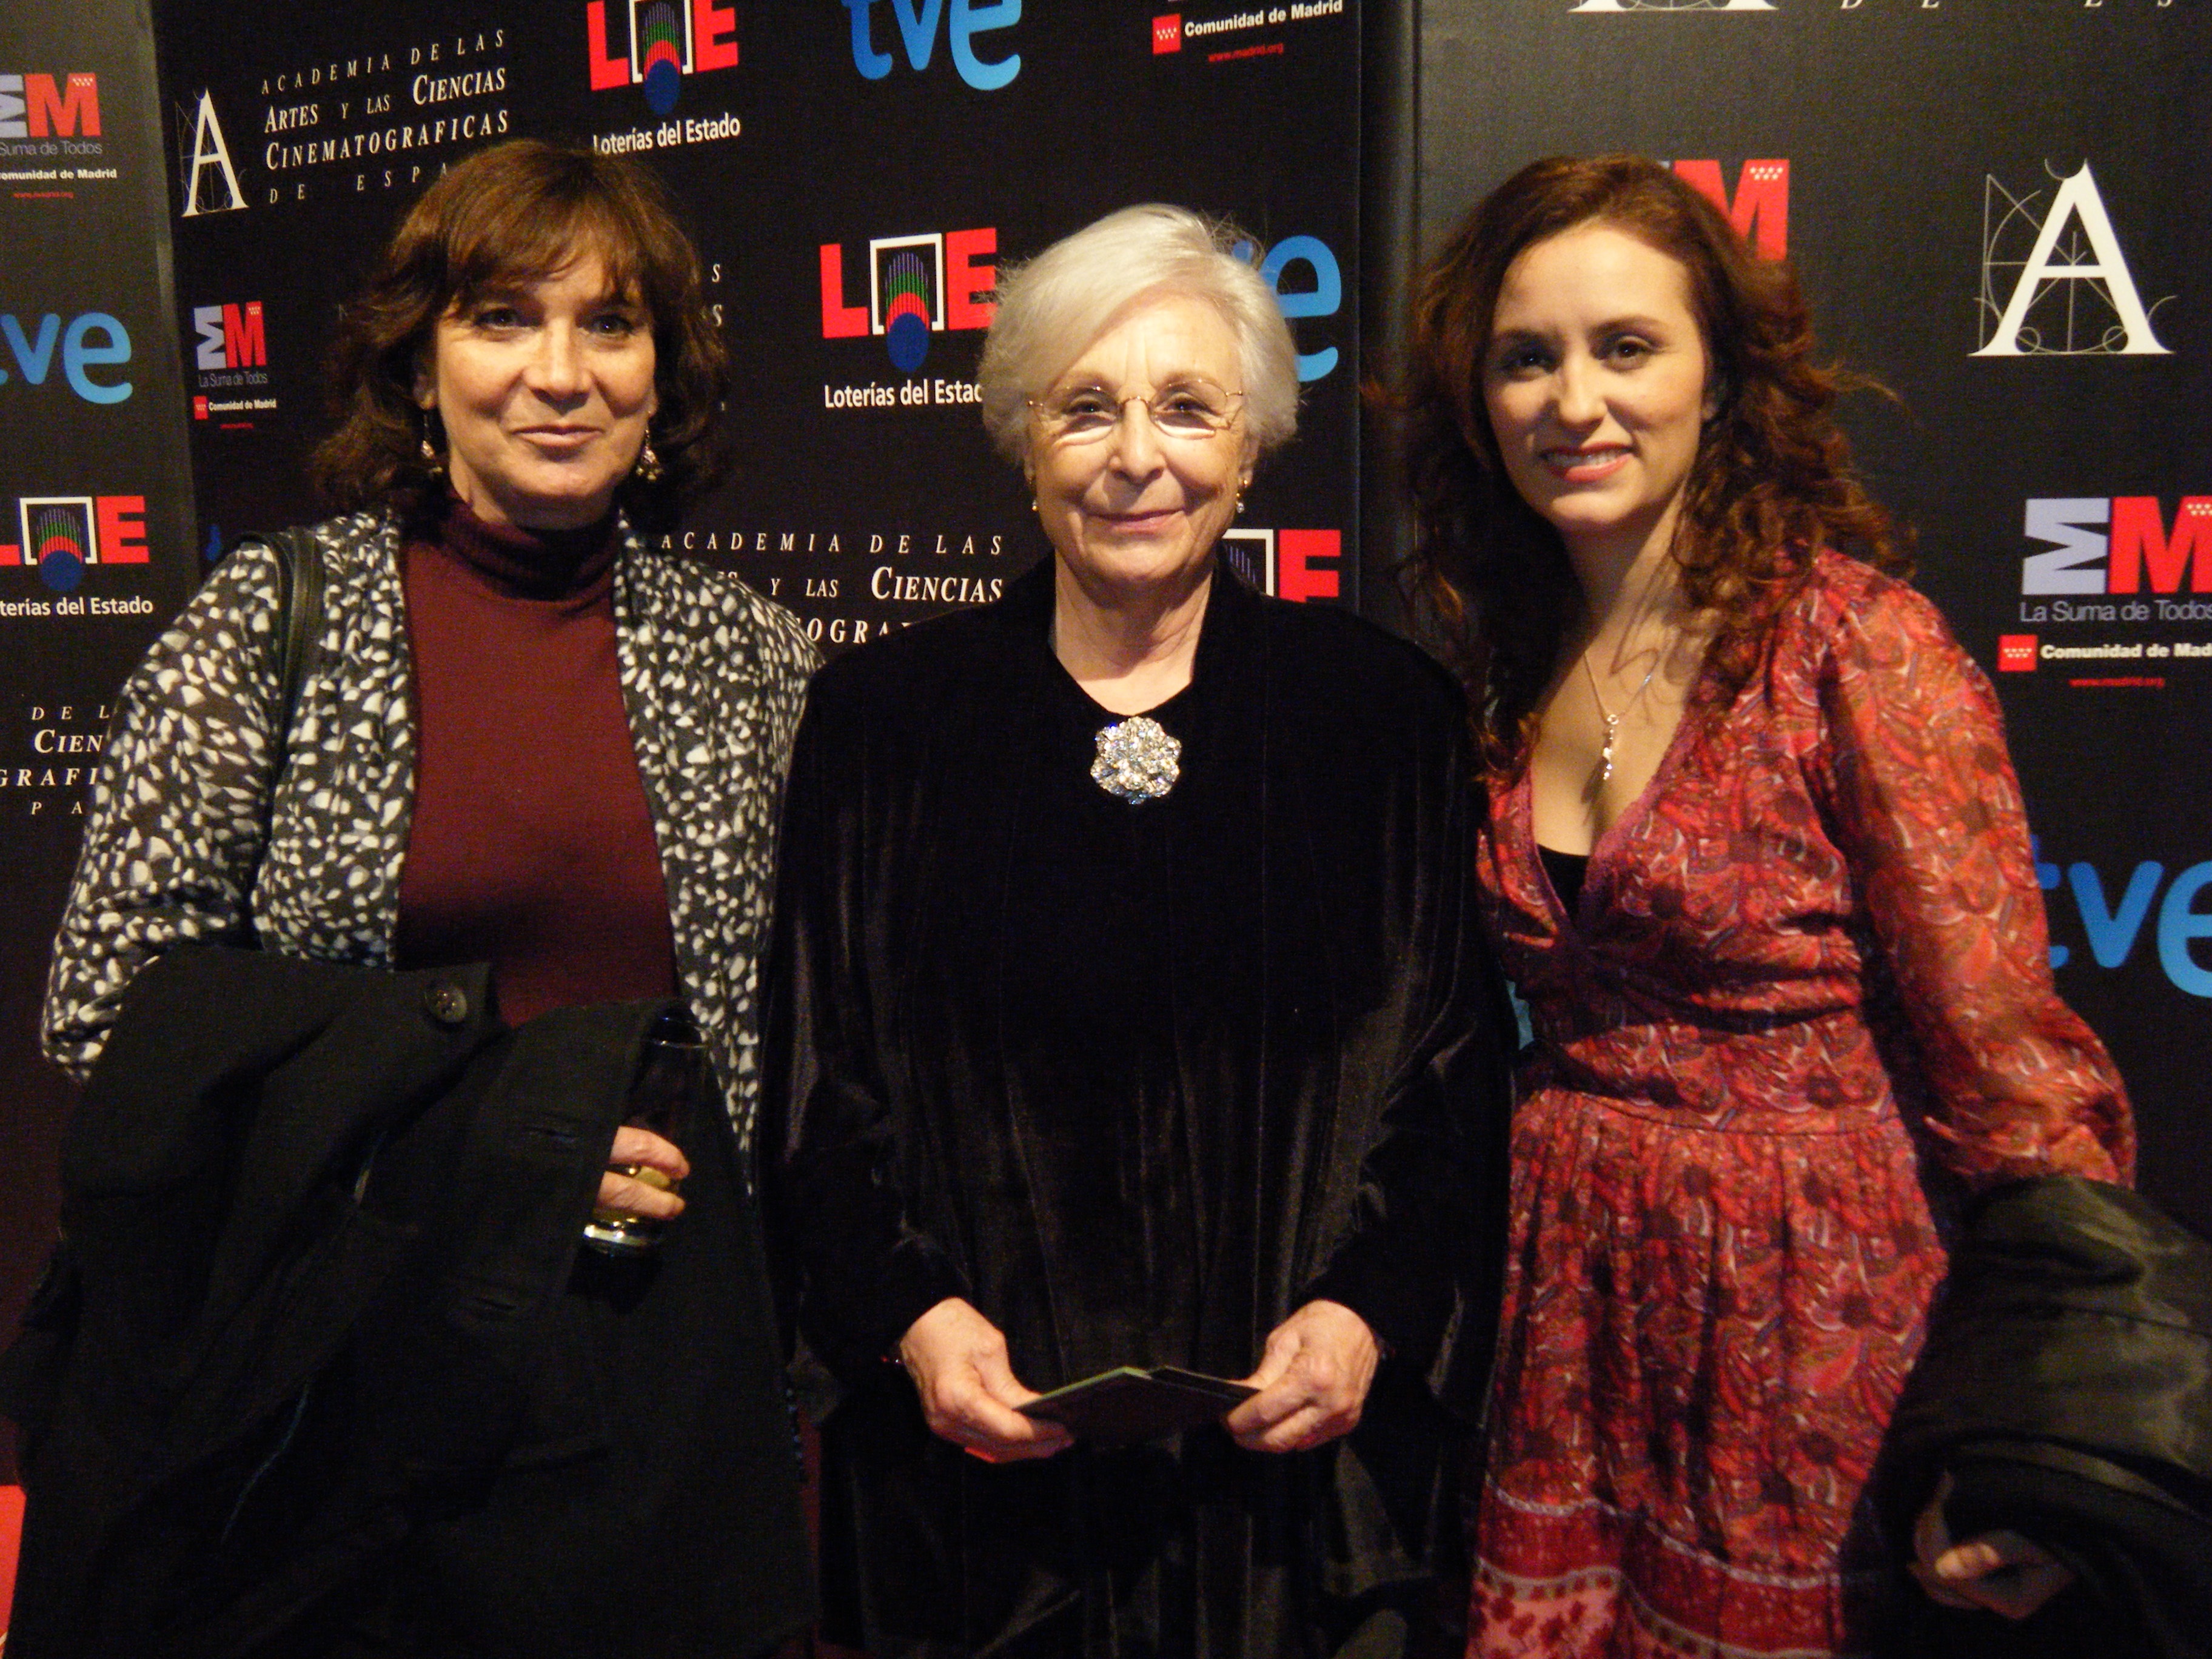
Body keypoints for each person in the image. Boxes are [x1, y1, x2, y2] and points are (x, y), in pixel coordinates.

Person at [34, 138, 817, 1655]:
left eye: (610, 324)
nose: (560, 372)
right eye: (502, 319)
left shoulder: (755, 658)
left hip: (657, 1401)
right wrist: (501, 1146)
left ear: (665, 375)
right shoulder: (272, 623)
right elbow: (110, 1018)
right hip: (349, 1385)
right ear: (420, 364)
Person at [1398, 153, 2135, 1658]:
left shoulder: (1854, 647)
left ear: (1720, 381)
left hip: (1816, 1329)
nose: (1571, 401)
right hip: (1566, 1308)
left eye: (1626, 347)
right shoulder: (1503, 659)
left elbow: (2012, 1067)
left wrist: (2041, 1440)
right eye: (1525, 359)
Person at [760, 203, 1514, 1659]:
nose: (1135, 458)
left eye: (1186, 407)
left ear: (1251, 447)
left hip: (1299, 1504)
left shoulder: (1382, 719)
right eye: (1085, 408)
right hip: (982, 1505)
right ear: (1022, 440)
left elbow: (1454, 1071)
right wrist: (913, 1320)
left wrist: (1369, 1312)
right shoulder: (886, 724)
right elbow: (814, 1081)